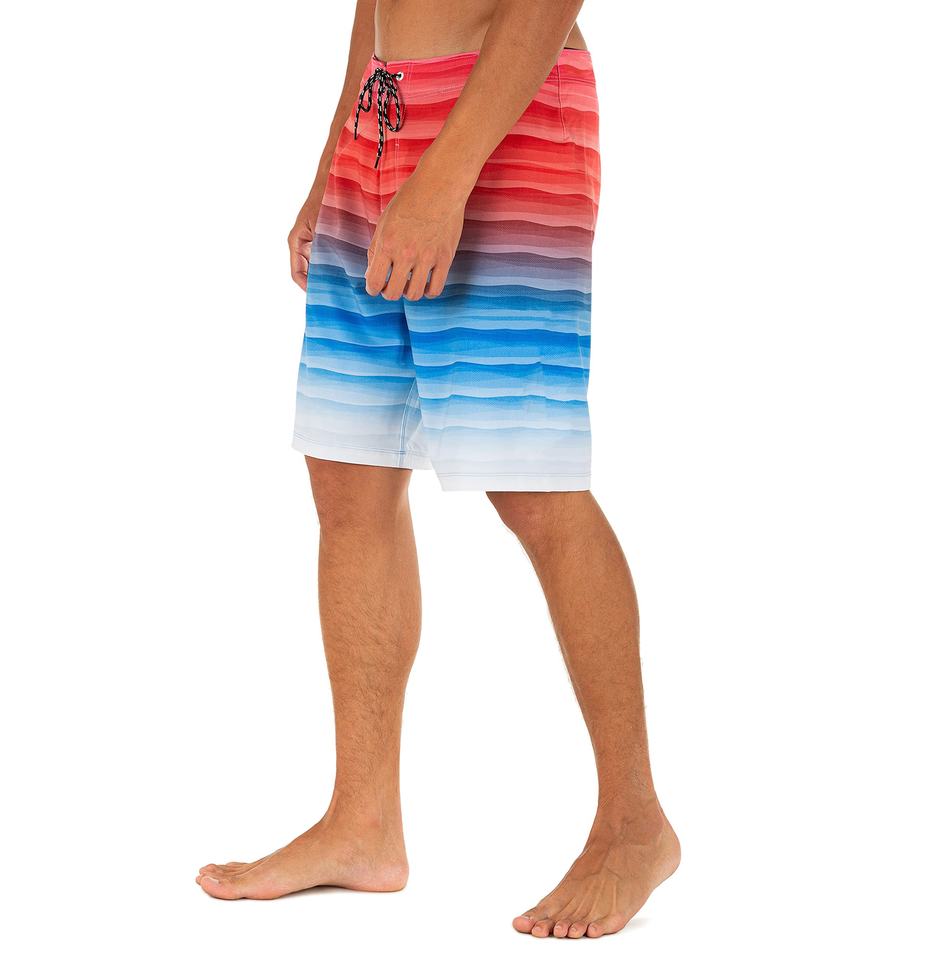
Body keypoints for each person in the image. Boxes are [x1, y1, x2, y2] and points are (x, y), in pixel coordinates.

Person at [196, 0, 680, 939]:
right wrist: (335, 157)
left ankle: (635, 824)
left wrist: (445, 176)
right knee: (350, 469)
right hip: (383, 116)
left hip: (499, 112)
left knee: (533, 482)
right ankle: (362, 823)